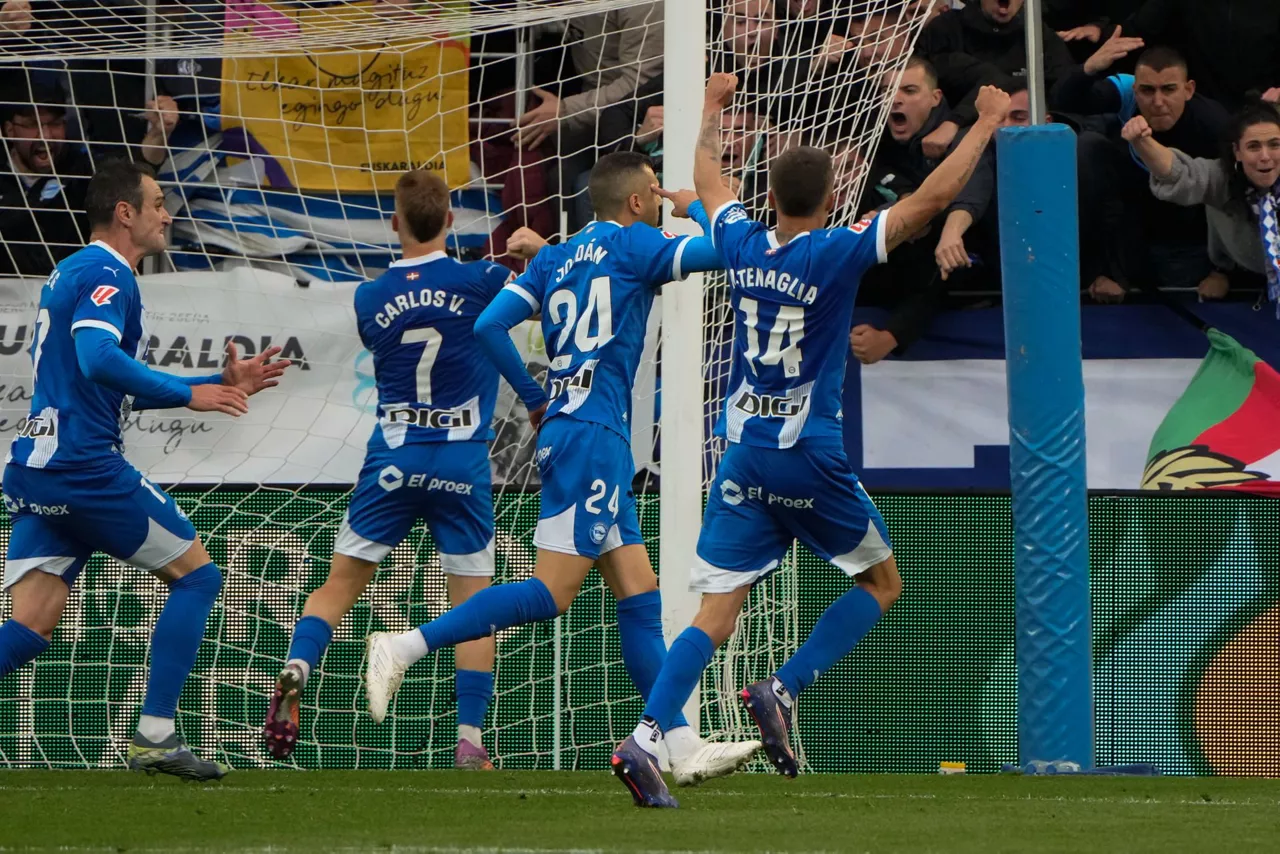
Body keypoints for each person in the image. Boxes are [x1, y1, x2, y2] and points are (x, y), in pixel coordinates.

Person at [608, 74, 1010, 808]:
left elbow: (704, 173)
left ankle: (644, 737)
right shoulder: (835, 251)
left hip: (743, 453)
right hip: (808, 451)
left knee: (715, 614)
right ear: (830, 201)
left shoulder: (735, 238)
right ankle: (783, 687)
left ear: (768, 196)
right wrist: (984, 125)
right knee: (882, 583)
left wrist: (714, 108)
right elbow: (925, 204)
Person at [357, 151, 761, 784]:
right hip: (594, 438)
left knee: (639, 594)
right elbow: (731, 253)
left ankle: (678, 743)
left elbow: (491, 326)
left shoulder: (553, 257)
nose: (659, 199)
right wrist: (698, 207)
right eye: (654, 192)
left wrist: (538, 396)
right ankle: (405, 647)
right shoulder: (638, 245)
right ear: (635, 203)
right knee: (552, 593)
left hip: (572, 430)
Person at [0, 159, 289, 780]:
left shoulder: (74, 270)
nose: (168, 213)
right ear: (125, 212)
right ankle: (155, 734)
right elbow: (99, 358)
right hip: (83, 467)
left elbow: (106, 381)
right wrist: (192, 396)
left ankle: (157, 735)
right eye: (158, 202)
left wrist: (214, 381)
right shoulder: (108, 271)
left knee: (29, 626)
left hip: (40, 467)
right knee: (199, 577)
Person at [262, 171, 514, 769]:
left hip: (394, 459)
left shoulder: (368, 298)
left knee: (340, 586)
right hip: (461, 458)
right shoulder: (484, 280)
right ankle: (470, 741)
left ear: (394, 223)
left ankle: (298, 667)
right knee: (472, 602)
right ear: (452, 221)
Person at [1060, 45, 1231, 302]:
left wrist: (1223, 272)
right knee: (1088, 146)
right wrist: (1088, 69)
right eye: (1148, 91)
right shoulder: (1127, 94)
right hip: (1137, 223)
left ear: (1189, 89)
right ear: (1136, 90)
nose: (1158, 102)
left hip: (1193, 235)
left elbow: (1235, 199)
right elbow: (1064, 100)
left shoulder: (1214, 125)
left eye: (1169, 89)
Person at [1125, 102, 1280, 314]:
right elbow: (1179, 173)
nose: (1265, 156)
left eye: (1275, 145)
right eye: (1253, 146)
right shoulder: (1221, 179)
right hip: (1242, 275)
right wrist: (1142, 142)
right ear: (1237, 152)